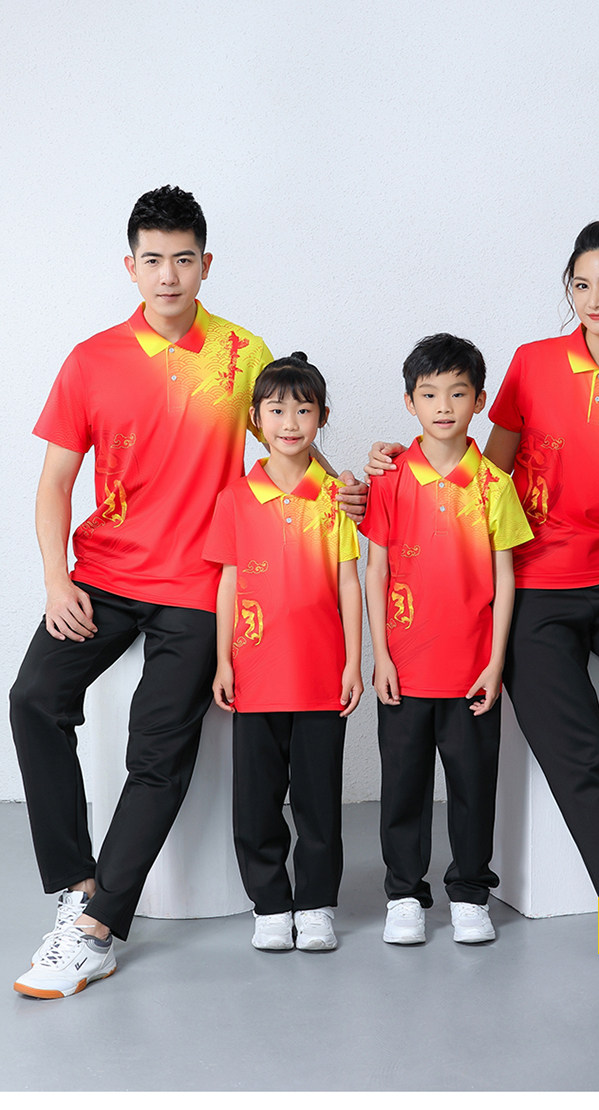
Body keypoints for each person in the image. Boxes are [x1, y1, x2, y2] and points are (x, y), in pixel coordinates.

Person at [368, 222, 599, 988]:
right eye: (580, 284)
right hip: (533, 587)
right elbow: (486, 474)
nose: (594, 299)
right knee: (581, 759)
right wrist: (399, 468)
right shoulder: (536, 363)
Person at [10, 187, 366, 998]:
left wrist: (340, 490)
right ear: (130, 266)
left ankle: (96, 932)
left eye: (182, 259)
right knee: (33, 699)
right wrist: (56, 576)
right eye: (152, 260)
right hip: (102, 575)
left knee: (157, 748)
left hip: (200, 585)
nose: (167, 275)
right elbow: (55, 481)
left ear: (205, 264)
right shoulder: (91, 360)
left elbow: (288, 438)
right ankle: (77, 884)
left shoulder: (242, 352)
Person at [360, 334, 533, 945]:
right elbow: (375, 572)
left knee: (472, 787)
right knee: (403, 788)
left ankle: (470, 894)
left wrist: (495, 662)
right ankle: (404, 895)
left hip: (471, 672)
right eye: (429, 394)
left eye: (458, 393)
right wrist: (380, 656)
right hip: (404, 669)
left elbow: (507, 579)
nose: (443, 406)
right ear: (410, 403)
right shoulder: (390, 480)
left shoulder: (493, 485)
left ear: (479, 401)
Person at [203, 354, 363, 952]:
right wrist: (224, 660)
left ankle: (316, 904)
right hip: (255, 674)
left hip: (322, 676)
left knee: (319, 801)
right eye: (276, 410)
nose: (290, 422)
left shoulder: (338, 498)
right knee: (256, 801)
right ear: (256, 418)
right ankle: (270, 905)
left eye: (303, 410)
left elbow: (350, 583)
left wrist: (354, 662)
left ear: (322, 417)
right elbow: (228, 582)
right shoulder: (236, 498)